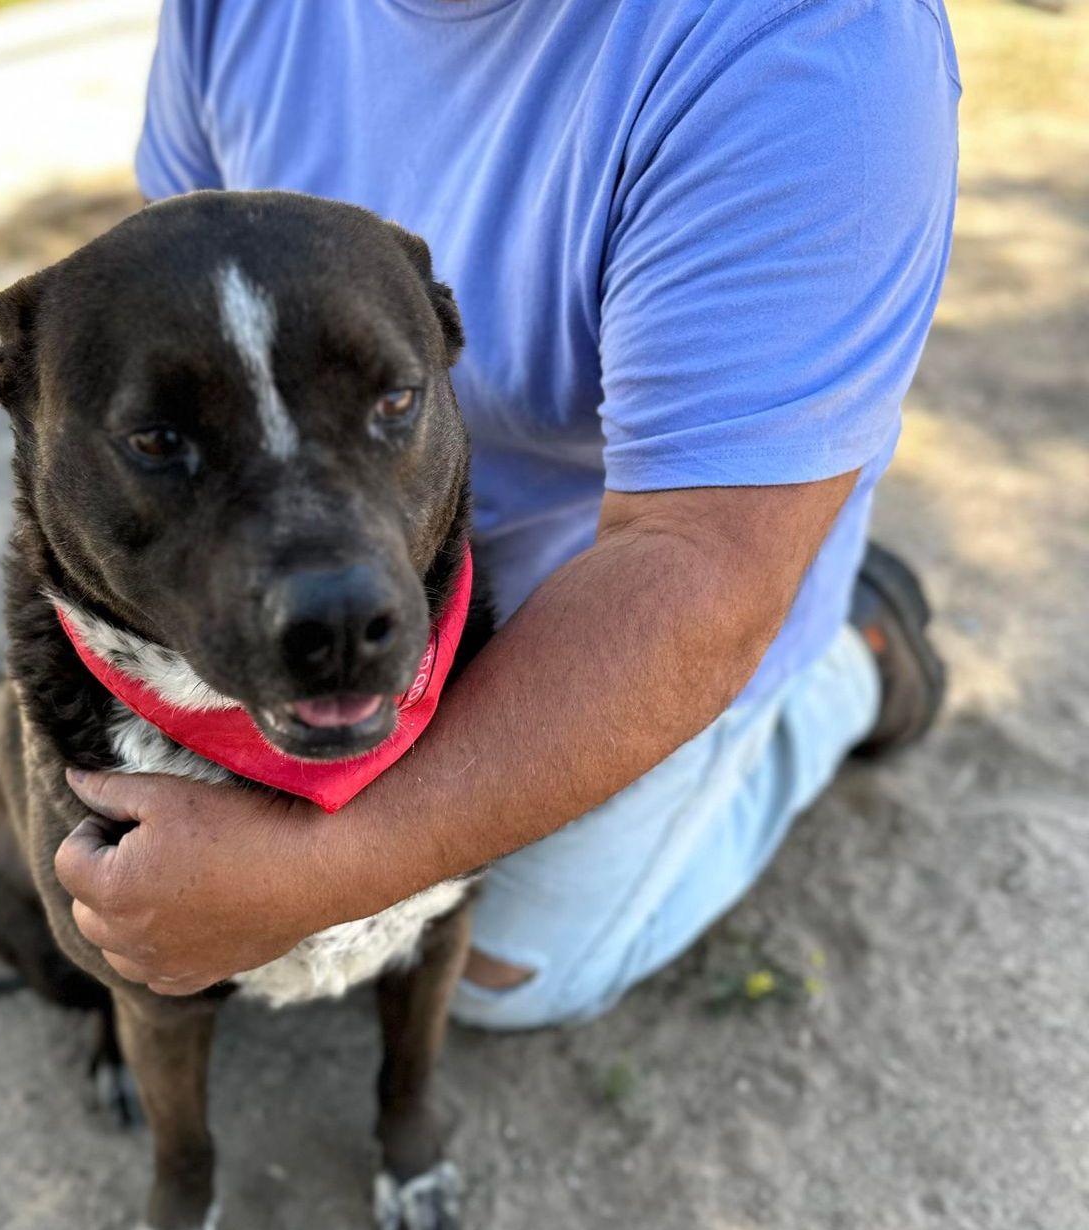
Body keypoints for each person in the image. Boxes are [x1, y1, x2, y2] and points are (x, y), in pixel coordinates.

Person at [53, 0, 961, 1028]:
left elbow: (700, 558)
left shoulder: (807, 46)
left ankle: (851, 663)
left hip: (629, 594)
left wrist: (329, 878)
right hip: (357, 563)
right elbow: (175, 305)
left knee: (498, 967)